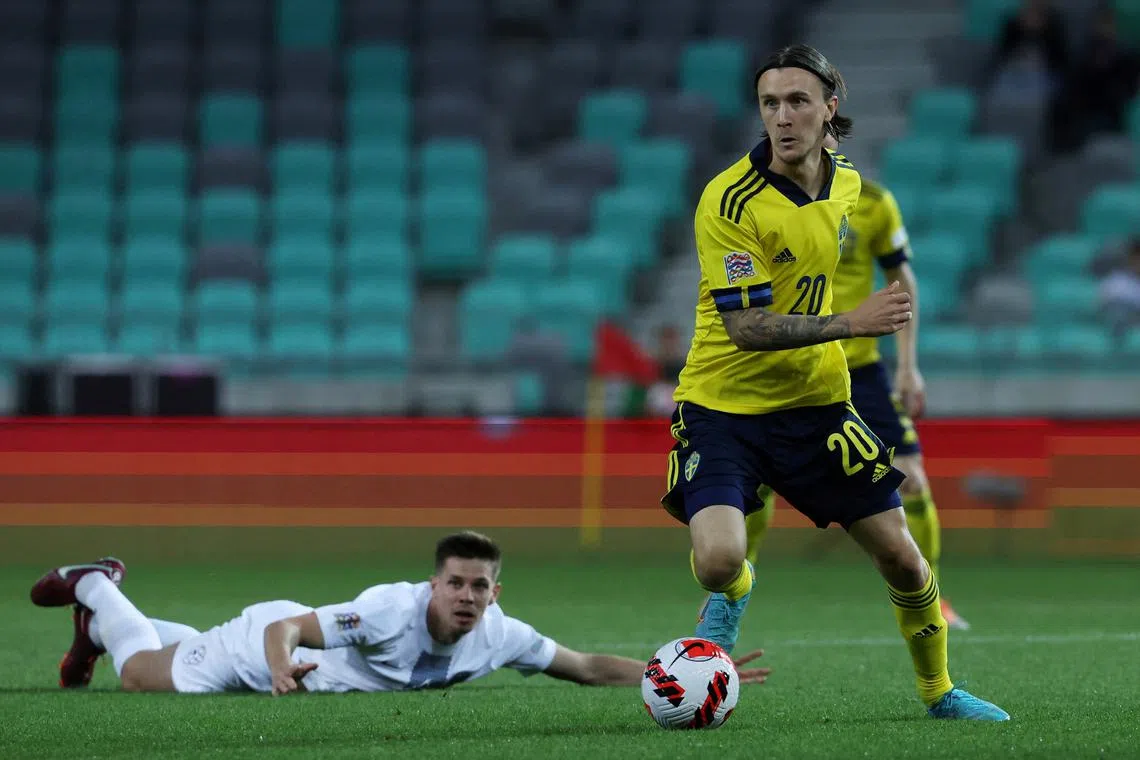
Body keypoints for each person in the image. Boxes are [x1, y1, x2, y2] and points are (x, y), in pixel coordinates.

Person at [662, 43, 1008, 720]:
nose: (782, 117)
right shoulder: (729, 200)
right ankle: (735, 590)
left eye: (797, 101)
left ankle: (940, 693)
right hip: (722, 406)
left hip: (818, 407)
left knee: (905, 561)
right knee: (719, 562)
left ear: (830, 107)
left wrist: (884, 343)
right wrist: (851, 322)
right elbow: (748, 328)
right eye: (769, 103)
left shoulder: (848, 184)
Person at [29, 531, 770, 694]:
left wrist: (678, 677)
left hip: (293, 661)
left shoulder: (498, 636)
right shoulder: (387, 610)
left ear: (495, 593)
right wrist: (279, 663)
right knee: (137, 678)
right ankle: (97, 588)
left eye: (481, 587)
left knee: (170, 650)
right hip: (269, 648)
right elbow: (290, 628)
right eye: (457, 584)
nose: (468, 597)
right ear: (433, 583)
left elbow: (579, 665)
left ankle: (100, 618)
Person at [741, 133, 971, 631]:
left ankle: (935, 598)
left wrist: (909, 365)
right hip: (792, 363)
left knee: (911, 481)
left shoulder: (872, 202)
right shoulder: (757, 199)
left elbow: (901, 280)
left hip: (860, 370)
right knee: (754, 485)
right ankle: (736, 586)